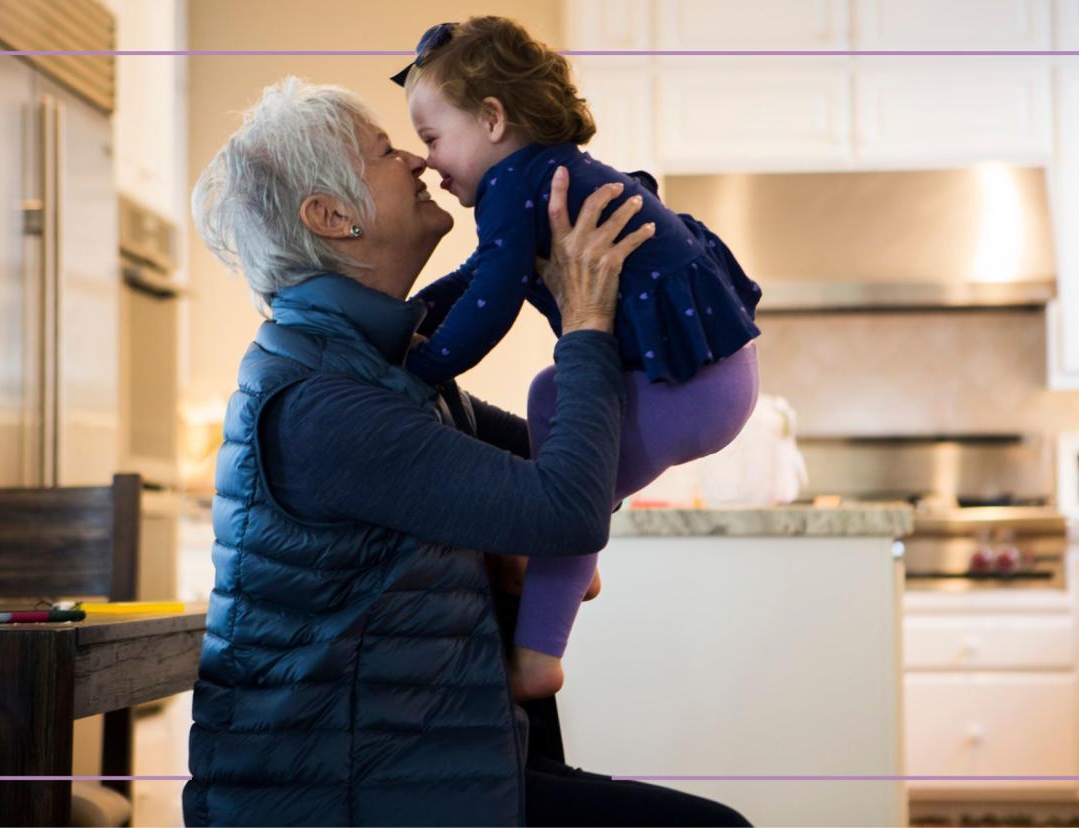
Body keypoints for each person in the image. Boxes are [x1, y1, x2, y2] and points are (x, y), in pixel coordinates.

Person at [183, 76, 751, 827]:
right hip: (345, 799)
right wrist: (586, 321)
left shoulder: (385, 368)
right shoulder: (322, 402)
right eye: (387, 152)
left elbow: (573, 475)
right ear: (331, 217)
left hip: (421, 772)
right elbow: (569, 511)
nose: (419, 164)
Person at [391, 16, 764, 700]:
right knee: (551, 395)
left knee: (565, 468)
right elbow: (481, 273)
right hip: (714, 377)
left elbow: (495, 296)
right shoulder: (542, 173)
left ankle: (538, 654)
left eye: (433, 139)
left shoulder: (513, 186)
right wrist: (410, 319)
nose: (430, 163)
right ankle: (569, 561)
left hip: (691, 384)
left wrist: (428, 362)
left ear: (493, 120)